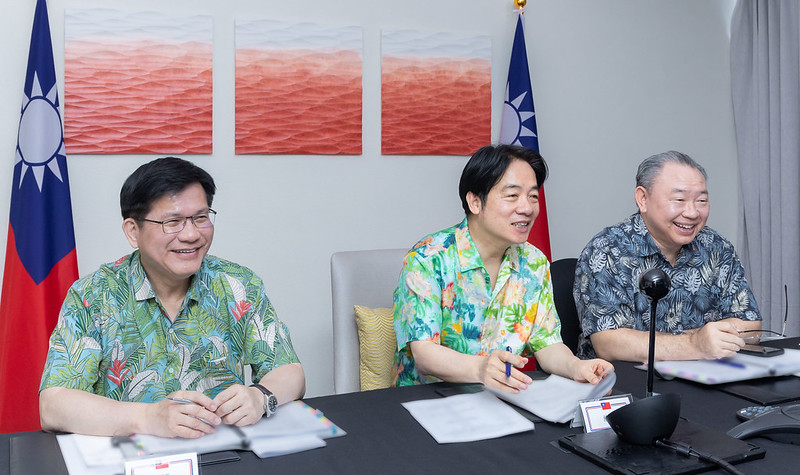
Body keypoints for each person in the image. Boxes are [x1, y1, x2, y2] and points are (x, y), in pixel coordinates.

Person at [39, 157, 305, 438]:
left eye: (201, 218)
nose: (191, 234)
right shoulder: (94, 295)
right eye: (172, 222)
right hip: (132, 454)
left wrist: (261, 395)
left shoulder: (238, 285)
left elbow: (291, 371)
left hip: (222, 450)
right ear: (133, 231)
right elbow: (53, 406)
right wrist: (147, 418)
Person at [392, 144, 613, 393]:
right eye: (512, 195)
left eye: (533, 196)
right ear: (475, 202)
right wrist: (480, 369)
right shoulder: (427, 259)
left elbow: (547, 344)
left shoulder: (534, 262)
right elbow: (424, 354)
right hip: (426, 399)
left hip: (501, 397)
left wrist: (576, 367)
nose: (527, 208)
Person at [575, 150, 761, 363]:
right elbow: (609, 344)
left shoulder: (717, 247)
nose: (692, 213)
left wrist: (693, 342)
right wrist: (695, 343)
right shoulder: (606, 250)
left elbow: (751, 327)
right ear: (643, 199)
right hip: (625, 379)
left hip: (706, 376)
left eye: (701, 200)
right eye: (679, 199)